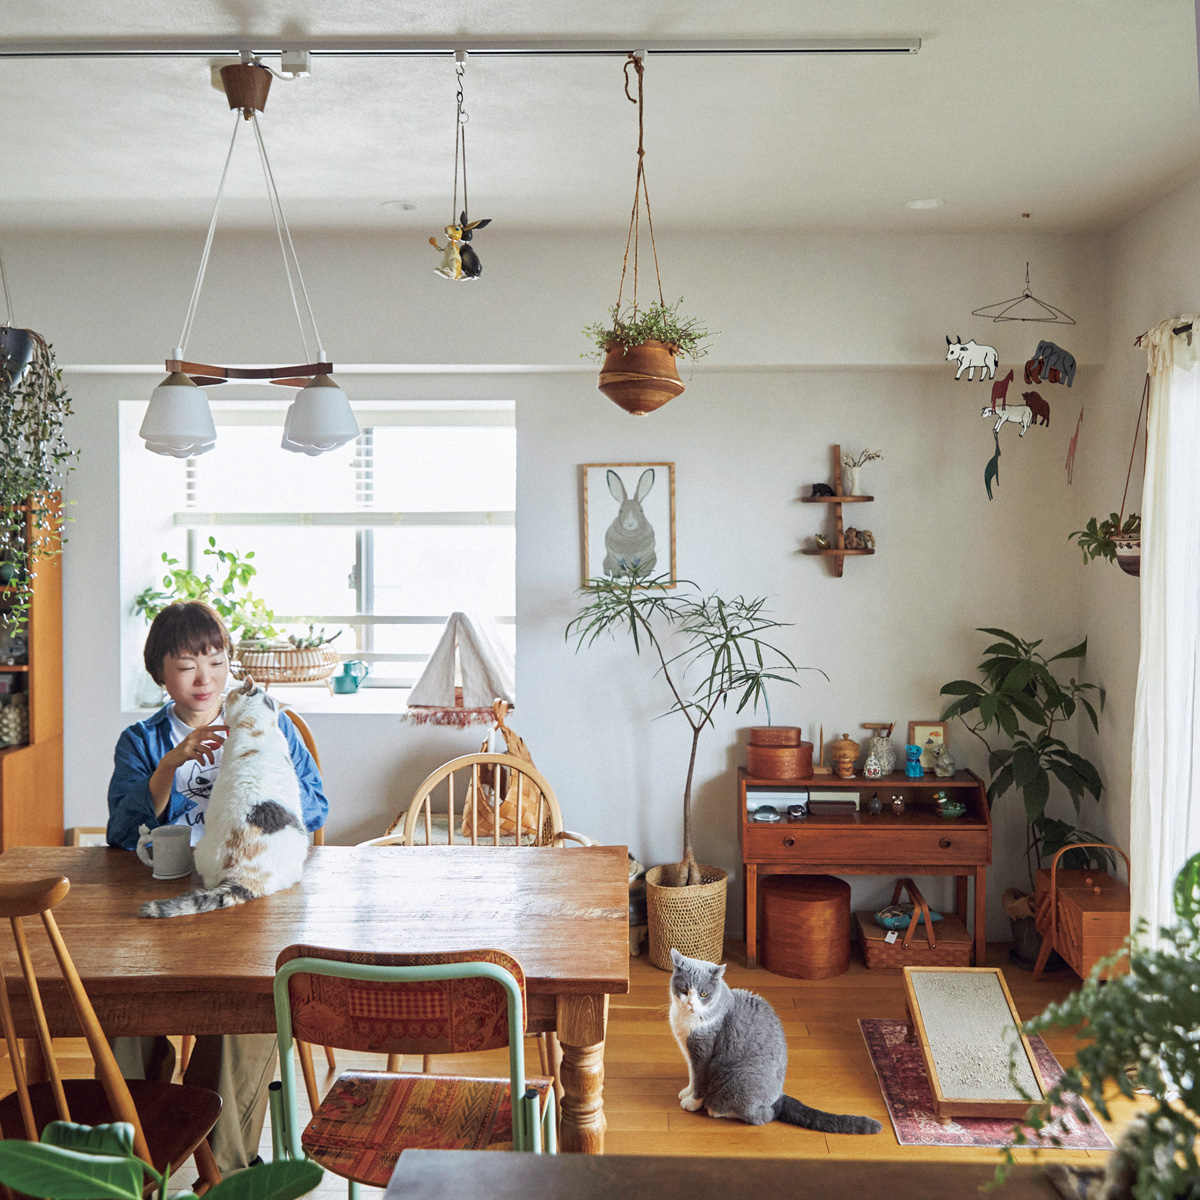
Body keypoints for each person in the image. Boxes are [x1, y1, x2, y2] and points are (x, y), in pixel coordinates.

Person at [107, 601, 329, 1175]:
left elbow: (317, 802)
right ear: (160, 672)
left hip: (248, 904)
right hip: (170, 903)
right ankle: (143, 1160)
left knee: (245, 1010)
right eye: (186, 665)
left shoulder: (264, 722)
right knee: (121, 1010)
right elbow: (118, 832)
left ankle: (222, 1170)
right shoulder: (143, 740)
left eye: (216, 660)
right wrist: (167, 769)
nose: (205, 678)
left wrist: (258, 768)